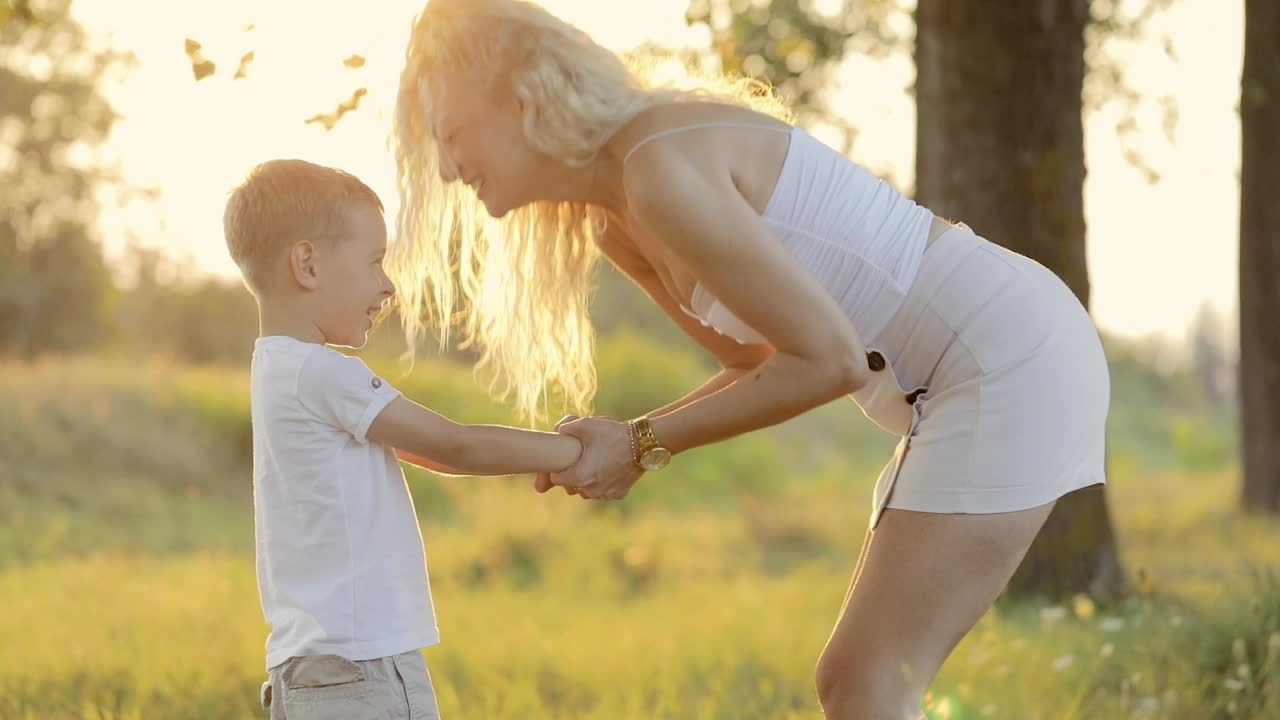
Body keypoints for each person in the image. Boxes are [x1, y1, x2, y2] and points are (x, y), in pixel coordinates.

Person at [390, 1, 1112, 718]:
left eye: (453, 134)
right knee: (863, 680)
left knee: (864, 680)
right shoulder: (621, 222)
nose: (450, 171)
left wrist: (637, 444)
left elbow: (831, 362)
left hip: (1004, 354)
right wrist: (627, 438)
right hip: (979, 365)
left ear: (523, 95)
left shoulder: (657, 166)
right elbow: (759, 362)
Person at [222, 158, 582, 719]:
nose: (387, 286)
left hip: (317, 672)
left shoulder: (276, 369)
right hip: (357, 671)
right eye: (374, 263)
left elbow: (428, 451)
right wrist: (576, 450)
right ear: (307, 264)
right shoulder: (321, 372)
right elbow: (454, 445)